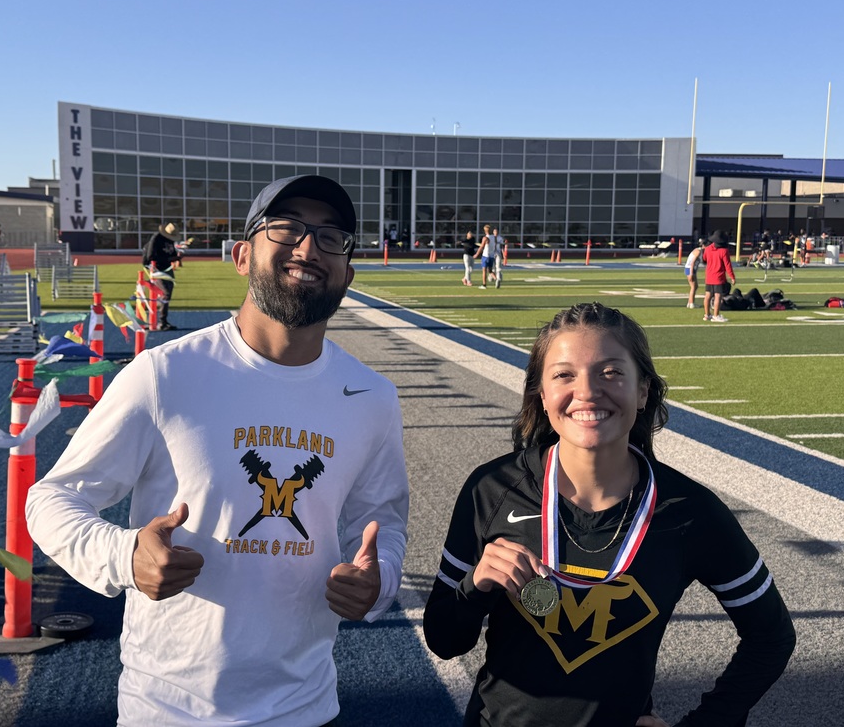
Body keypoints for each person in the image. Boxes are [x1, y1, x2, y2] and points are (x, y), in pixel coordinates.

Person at [26, 174, 409, 727]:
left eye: (332, 237)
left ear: (348, 271)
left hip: (305, 708)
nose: (309, 247)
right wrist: (124, 556)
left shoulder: (372, 396)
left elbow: (382, 521)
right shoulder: (165, 375)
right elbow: (52, 499)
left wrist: (380, 581)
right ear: (242, 254)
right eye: (288, 228)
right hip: (167, 711)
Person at [423, 302, 795, 727]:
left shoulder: (690, 512)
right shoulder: (490, 490)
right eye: (564, 375)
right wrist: (476, 585)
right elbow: (444, 639)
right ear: (542, 395)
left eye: (612, 372)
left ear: (642, 391)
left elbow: (771, 636)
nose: (587, 392)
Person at [141, 221, 182, 330]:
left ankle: (163, 321)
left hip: (167, 268)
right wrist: (169, 259)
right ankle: (161, 322)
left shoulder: (170, 240)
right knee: (165, 293)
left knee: (169, 292)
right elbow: (151, 256)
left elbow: (172, 253)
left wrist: (176, 257)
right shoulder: (156, 239)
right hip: (157, 268)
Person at [701, 230, 736, 322]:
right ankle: (716, 315)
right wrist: (732, 277)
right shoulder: (724, 251)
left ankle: (707, 315)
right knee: (717, 296)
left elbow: (704, 259)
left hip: (709, 276)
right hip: (718, 277)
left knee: (707, 295)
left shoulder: (707, 249)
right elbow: (728, 265)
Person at [473, 224, 498, 289]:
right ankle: (496, 279)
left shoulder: (485, 238)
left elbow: (481, 247)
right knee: (489, 270)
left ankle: (484, 285)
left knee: (484, 270)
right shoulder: (494, 237)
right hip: (491, 256)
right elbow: (494, 246)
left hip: (486, 256)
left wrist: (476, 254)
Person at [683, 238, 703, 308]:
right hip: (690, 269)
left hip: (691, 269)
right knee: (693, 287)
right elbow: (692, 263)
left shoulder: (700, 251)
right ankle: (691, 303)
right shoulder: (698, 251)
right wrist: (691, 273)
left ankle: (690, 302)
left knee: (695, 286)